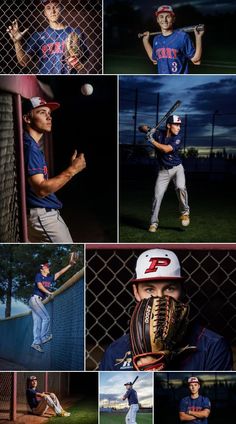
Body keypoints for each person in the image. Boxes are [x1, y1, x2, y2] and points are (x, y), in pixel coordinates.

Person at [99, 248, 233, 371]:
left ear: (182, 291)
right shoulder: (115, 351)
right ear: (136, 292)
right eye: (149, 289)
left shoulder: (212, 347)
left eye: (169, 288)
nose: (159, 298)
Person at [22, 96, 86, 242]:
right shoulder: (30, 148)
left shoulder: (31, 144)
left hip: (44, 215)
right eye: (42, 112)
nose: (49, 117)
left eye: (49, 113)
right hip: (43, 218)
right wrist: (72, 170)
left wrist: (71, 169)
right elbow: (41, 190)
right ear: (27, 118)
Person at [6, 0, 89, 74]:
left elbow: (84, 57)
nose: (53, 11)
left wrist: (76, 56)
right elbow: (23, 62)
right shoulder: (38, 36)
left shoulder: (75, 32)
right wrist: (17, 42)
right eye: (48, 8)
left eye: (56, 7)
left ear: (61, 8)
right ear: (45, 13)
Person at [139, 114, 190, 232]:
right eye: (176, 125)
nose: (179, 128)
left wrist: (151, 140)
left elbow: (166, 149)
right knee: (157, 196)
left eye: (179, 125)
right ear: (168, 125)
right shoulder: (158, 133)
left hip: (177, 168)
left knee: (181, 187)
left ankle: (185, 212)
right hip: (163, 171)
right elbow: (141, 127)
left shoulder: (178, 137)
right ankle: (153, 223)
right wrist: (148, 130)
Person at [29, 258, 75, 352]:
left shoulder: (49, 278)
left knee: (37, 323)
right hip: (35, 299)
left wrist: (70, 265)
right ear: (42, 269)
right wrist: (49, 292)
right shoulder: (39, 275)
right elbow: (40, 286)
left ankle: (36, 343)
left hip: (36, 301)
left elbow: (60, 273)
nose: (48, 268)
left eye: (48, 267)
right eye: (46, 267)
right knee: (46, 318)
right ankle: (44, 337)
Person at [142, 5, 204, 74]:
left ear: (173, 19)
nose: (164, 20)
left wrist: (198, 37)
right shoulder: (156, 39)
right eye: (161, 16)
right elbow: (154, 60)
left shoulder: (182, 37)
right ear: (157, 20)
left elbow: (196, 60)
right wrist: (145, 42)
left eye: (168, 16)